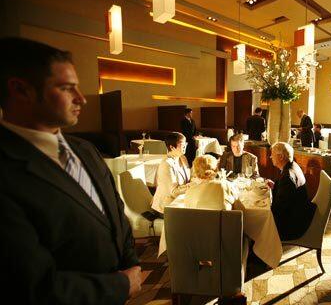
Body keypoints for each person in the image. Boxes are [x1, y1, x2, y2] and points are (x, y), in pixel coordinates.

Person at [0, 37, 141, 303]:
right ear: (20, 90)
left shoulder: (86, 149)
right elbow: (32, 286)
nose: (81, 99)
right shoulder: (6, 171)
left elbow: (116, 215)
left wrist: (131, 265)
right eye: (67, 89)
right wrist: (119, 285)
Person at [267, 142, 316, 240]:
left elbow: (279, 210)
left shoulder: (287, 177)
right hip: (298, 215)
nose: (270, 157)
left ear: (280, 157)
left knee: (260, 222)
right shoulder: (293, 165)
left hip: (292, 226)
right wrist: (275, 186)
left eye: (272, 154)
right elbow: (288, 195)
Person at [151, 132, 191, 214]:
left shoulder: (183, 158)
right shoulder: (166, 164)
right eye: (182, 144)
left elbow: (188, 179)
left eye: (185, 143)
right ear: (172, 147)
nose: (185, 146)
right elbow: (173, 192)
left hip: (180, 202)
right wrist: (194, 187)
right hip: (166, 207)